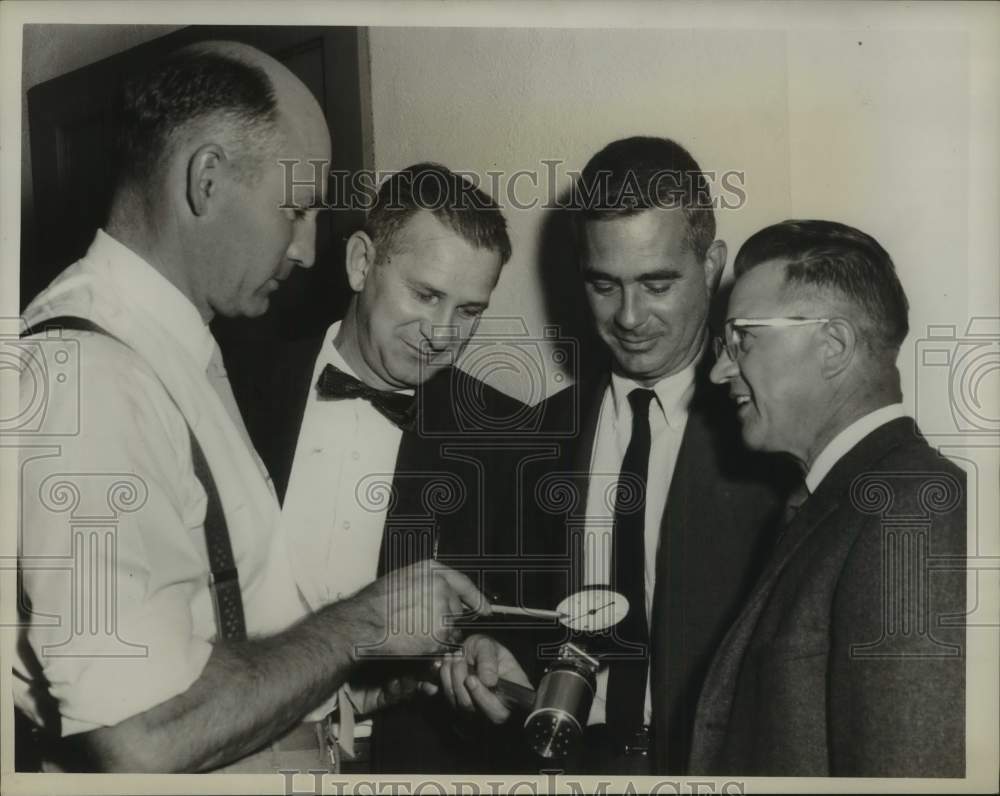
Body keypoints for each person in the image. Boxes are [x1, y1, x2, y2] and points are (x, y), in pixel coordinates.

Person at [14, 42, 488, 774]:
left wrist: (352, 688)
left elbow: (213, 641)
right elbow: (145, 735)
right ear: (206, 179)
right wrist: (363, 624)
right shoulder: (91, 373)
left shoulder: (175, 355)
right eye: (294, 209)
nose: (304, 249)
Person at [440, 136, 793, 775]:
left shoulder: (773, 442)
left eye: (657, 284)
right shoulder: (532, 439)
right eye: (604, 285)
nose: (629, 317)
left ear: (711, 265)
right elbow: (498, 614)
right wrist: (484, 651)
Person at [227, 163, 538, 773]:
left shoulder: (508, 439)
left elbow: (522, 650)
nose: (442, 334)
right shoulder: (234, 390)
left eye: (470, 310)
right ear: (361, 263)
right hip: (233, 752)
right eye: (424, 295)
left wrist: (489, 663)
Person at [689, 220, 966, 776]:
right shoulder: (847, 503)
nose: (721, 369)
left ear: (833, 345)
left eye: (743, 338)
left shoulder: (908, 515)